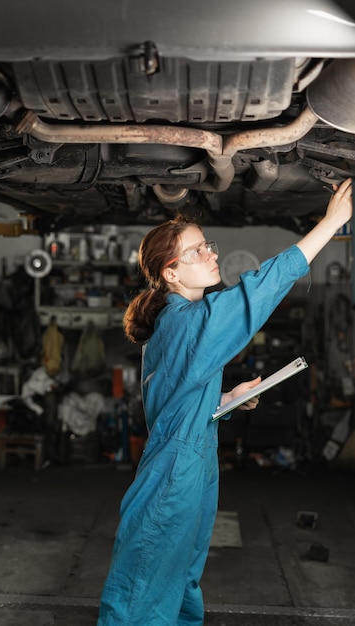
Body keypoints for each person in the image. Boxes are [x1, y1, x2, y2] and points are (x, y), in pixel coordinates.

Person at [97, 178, 353, 626]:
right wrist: (332, 222)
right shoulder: (183, 320)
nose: (211, 254)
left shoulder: (174, 322)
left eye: (207, 245)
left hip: (191, 459)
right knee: (145, 581)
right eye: (197, 251)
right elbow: (259, 290)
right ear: (170, 273)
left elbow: (177, 397)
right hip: (175, 468)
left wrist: (227, 398)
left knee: (179, 575)